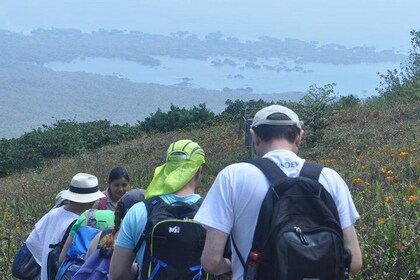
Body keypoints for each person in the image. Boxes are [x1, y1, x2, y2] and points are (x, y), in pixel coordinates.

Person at [194, 104, 363, 279]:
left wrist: (231, 266)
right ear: (299, 137)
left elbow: (211, 262)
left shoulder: (232, 176)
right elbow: (355, 262)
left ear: (254, 137)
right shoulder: (330, 178)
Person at [110, 139, 210, 280]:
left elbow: (118, 274)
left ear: (166, 168)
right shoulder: (213, 212)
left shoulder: (140, 211)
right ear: (199, 171)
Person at [25, 173, 105, 280]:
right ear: (91, 200)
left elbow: (32, 242)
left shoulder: (53, 213)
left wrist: (45, 263)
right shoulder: (81, 224)